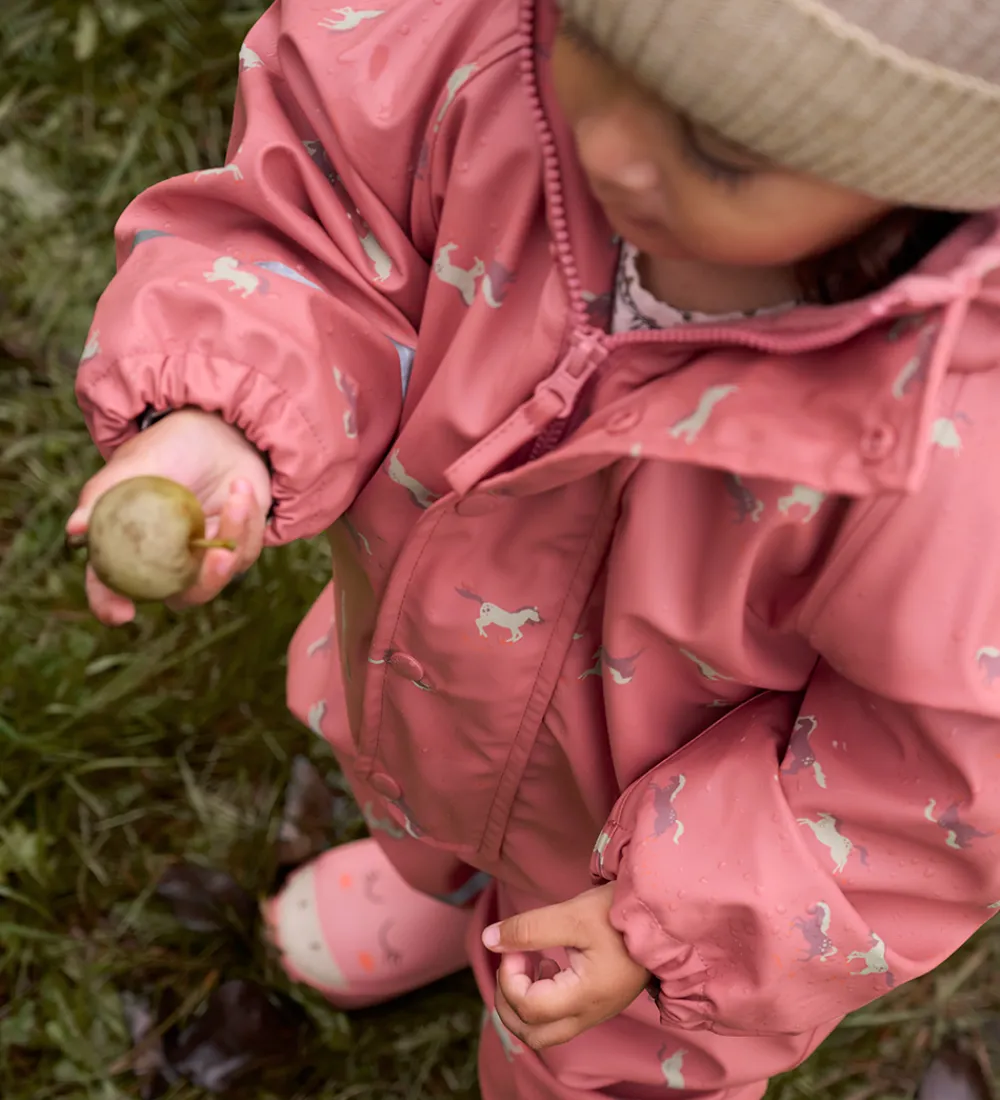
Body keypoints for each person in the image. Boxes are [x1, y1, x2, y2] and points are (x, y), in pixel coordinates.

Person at [68, 0, 1000, 1096]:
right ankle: (445, 879)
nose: (606, 143)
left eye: (716, 151)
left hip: (660, 875)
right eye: (591, 42)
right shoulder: (490, 59)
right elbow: (323, 207)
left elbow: (938, 776)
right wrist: (230, 403)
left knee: (592, 1062)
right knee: (414, 775)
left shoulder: (960, 452)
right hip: (422, 676)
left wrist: (679, 920)